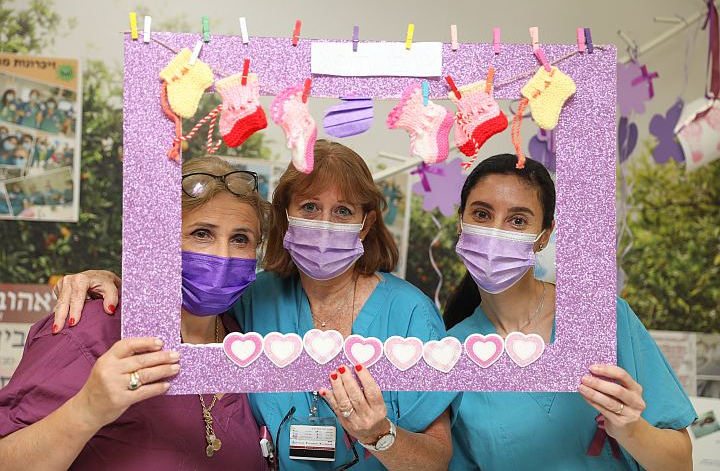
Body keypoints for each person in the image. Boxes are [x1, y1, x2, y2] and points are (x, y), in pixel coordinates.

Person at [52, 140, 458, 470]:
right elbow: (188, 298)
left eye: (343, 211)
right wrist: (114, 281)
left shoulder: (410, 313)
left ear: (365, 224)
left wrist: (379, 436)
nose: (324, 223)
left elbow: (436, 461)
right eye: (310, 207)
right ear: (286, 215)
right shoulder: (252, 298)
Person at [0, 156, 269, 470]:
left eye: (240, 239)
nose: (223, 256)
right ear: (160, 241)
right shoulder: (94, 328)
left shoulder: (242, 341)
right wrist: (87, 409)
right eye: (201, 233)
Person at [445, 153, 696, 471]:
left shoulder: (601, 317)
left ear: (544, 235)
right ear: (461, 222)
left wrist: (631, 430)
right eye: (482, 214)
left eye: (518, 220)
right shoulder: (452, 352)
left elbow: (681, 464)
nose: (495, 233)